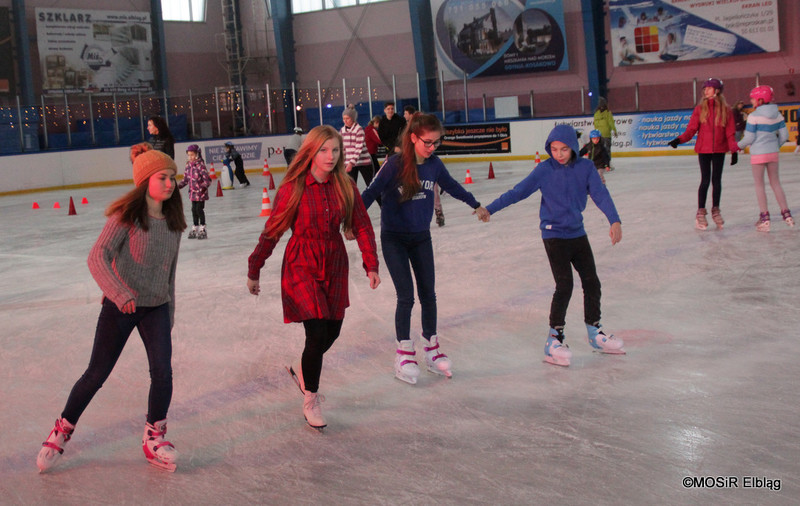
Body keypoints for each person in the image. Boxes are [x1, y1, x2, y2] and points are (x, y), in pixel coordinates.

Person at [37, 145, 186, 473]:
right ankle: (63, 428)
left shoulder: (174, 221)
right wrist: (118, 293)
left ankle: (154, 436)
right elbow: (97, 256)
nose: (170, 183)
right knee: (96, 374)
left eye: (172, 177)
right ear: (145, 180)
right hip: (121, 307)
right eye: (162, 177)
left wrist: (169, 314)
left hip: (157, 307)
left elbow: (170, 272)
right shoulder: (127, 216)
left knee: (163, 372)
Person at [247, 125, 380, 431]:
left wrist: (371, 264)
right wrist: (255, 269)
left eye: (335, 150)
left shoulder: (345, 185)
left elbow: (361, 225)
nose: (330, 156)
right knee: (317, 331)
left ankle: (304, 369)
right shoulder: (293, 188)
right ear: (311, 151)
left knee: (332, 332)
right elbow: (273, 231)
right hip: (301, 262)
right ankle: (311, 398)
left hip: (334, 261)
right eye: (323, 150)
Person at [479, 124, 624, 367]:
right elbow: (518, 192)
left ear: (573, 148)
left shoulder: (586, 168)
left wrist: (615, 220)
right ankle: (554, 339)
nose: (559, 154)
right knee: (564, 284)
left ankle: (594, 332)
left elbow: (600, 194)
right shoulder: (544, 170)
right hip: (553, 235)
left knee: (591, 281)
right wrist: (490, 208)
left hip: (577, 233)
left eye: (564, 149)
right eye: (554, 149)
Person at [361, 112, 489, 384]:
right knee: (406, 296)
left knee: (428, 294)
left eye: (436, 143)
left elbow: (452, 186)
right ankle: (404, 352)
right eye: (427, 143)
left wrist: (475, 205)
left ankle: (431, 348)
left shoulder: (434, 165)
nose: (432, 148)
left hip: (421, 238)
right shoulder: (394, 165)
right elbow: (370, 193)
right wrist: (352, 220)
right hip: (394, 239)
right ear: (413, 138)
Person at [668, 77, 739, 230]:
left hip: (719, 149)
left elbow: (730, 133)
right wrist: (679, 140)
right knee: (705, 180)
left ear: (717, 90)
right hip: (704, 150)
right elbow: (691, 130)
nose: (705, 90)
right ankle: (700, 212)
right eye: (705, 88)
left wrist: (734, 150)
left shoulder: (726, 110)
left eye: (709, 87)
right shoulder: (700, 109)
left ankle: (716, 210)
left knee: (717, 181)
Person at [737, 85, 793, 231]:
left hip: (758, 154)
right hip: (772, 153)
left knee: (759, 185)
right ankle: (787, 215)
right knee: (776, 183)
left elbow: (749, 137)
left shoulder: (753, 116)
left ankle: (765, 219)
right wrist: (775, 146)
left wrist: (738, 146)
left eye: (753, 99)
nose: (751, 101)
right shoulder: (778, 115)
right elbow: (785, 136)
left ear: (760, 100)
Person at [178, 144, 212, 239]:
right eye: (189, 155)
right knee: (193, 210)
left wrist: (202, 189)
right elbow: (185, 179)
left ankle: (202, 228)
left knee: (199, 210)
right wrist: (178, 187)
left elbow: (207, 181)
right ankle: (195, 227)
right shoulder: (188, 166)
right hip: (193, 193)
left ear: (197, 154)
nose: (190, 157)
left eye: (192, 155)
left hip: (201, 193)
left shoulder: (201, 166)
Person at [341, 106, 374, 188]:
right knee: (350, 188)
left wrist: (351, 163)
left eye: (347, 118)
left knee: (371, 186)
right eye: (343, 118)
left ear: (352, 119)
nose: (345, 120)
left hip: (363, 162)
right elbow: (343, 148)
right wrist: (343, 161)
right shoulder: (342, 131)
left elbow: (358, 148)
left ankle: (382, 200)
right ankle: (353, 201)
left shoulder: (359, 130)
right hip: (349, 163)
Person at [593, 97, 617, 167]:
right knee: (607, 150)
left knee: (599, 150)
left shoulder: (596, 114)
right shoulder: (608, 113)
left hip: (599, 135)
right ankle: (607, 164)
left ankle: (600, 164)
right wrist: (614, 130)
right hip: (606, 134)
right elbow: (611, 123)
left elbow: (595, 124)